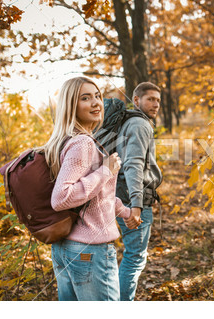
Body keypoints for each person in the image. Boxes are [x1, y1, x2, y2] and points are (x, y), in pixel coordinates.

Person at [44, 76, 132, 301]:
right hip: (88, 250)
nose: (96, 103)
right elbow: (61, 198)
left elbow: (95, 197)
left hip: (66, 246)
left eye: (97, 96)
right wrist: (106, 171)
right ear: (71, 105)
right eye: (85, 98)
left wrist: (125, 212)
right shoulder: (82, 143)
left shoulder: (66, 140)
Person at [115, 82, 163, 301]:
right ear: (136, 100)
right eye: (150, 99)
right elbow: (133, 164)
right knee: (134, 257)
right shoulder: (140, 125)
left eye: (158, 100)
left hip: (122, 195)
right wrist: (136, 204)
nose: (156, 104)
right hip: (134, 199)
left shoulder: (127, 122)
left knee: (130, 255)